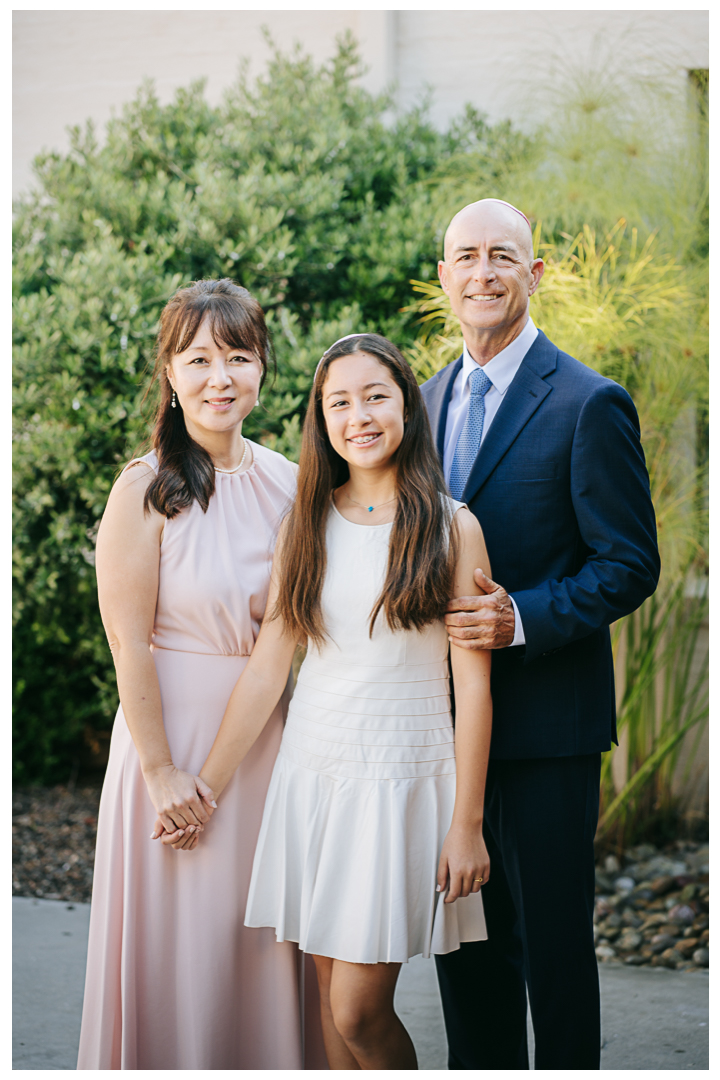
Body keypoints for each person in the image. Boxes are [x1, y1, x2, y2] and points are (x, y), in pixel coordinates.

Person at [159, 333, 493, 1069]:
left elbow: (473, 687)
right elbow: (270, 663)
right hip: (312, 780)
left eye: (376, 396)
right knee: (326, 1015)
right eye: (339, 402)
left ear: (407, 404)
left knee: (359, 1012)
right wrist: (207, 783)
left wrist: (466, 824)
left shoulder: (451, 525)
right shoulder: (305, 524)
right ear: (321, 419)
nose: (360, 416)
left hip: (402, 783)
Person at [419, 199, 661, 1070]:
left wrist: (520, 616)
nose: (482, 272)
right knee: (467, 958)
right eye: (465, 257)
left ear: (535, 272)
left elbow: (630, 563)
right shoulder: (421, 402)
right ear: (444, 276)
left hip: (549, 733)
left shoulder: (591, 402)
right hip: (444, 732)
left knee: (554, 960)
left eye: (501, 255)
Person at [77, 279, 325, 1069]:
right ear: (172, 375)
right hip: (160, 746)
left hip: (255, 753)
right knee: (168, 942)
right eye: (200, 359)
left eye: (239, 357)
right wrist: (162, 774)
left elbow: (279, 649)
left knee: (247, 940)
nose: (221, 377)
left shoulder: (294, 487)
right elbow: (127, 643)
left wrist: (207, 787)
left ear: (262, 371)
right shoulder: (143, 488)